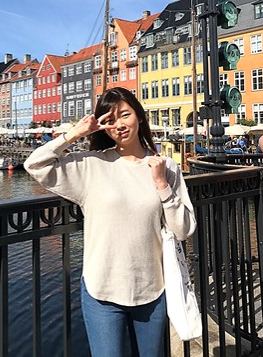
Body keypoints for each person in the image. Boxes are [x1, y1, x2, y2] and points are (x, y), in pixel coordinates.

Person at [24, 87, 196, 356]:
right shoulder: (92, 165)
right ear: (103, 127)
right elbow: (35, 165)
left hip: (152, 289)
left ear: (139, 116)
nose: (119, 125)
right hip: (101, 289)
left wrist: (162, 186)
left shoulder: (165, 167)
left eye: (125, 115)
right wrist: (76, 133)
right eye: (110, 120)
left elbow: (184, 229)